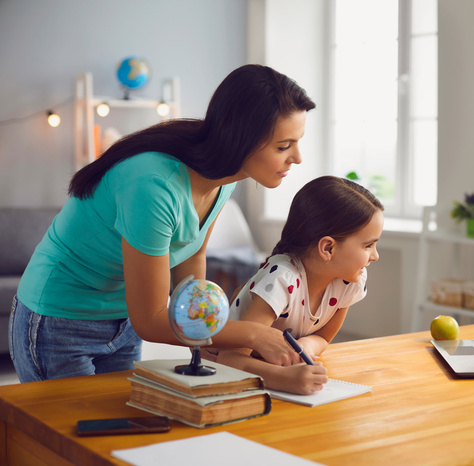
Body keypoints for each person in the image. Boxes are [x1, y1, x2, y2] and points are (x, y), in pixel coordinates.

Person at [9, 64, 316, 382]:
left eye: (297, 142)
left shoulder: (226, 178)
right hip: (61, 319)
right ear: (241, 140)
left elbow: (192, 251)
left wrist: (202, 329)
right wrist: (250, 335)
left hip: (123, 321)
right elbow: (151, 319)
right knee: (67, 429)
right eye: (284, 146)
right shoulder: (153, 185)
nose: (297, 158)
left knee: (125, 427)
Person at [204, 176, 384, 395]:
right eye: (368, 245)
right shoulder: (283, 280)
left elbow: (323, 337)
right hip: (223, 380)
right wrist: (282, 378)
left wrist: (306, 347)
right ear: (328, 248)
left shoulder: (349, 282)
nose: (375, 256)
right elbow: (229, 358)